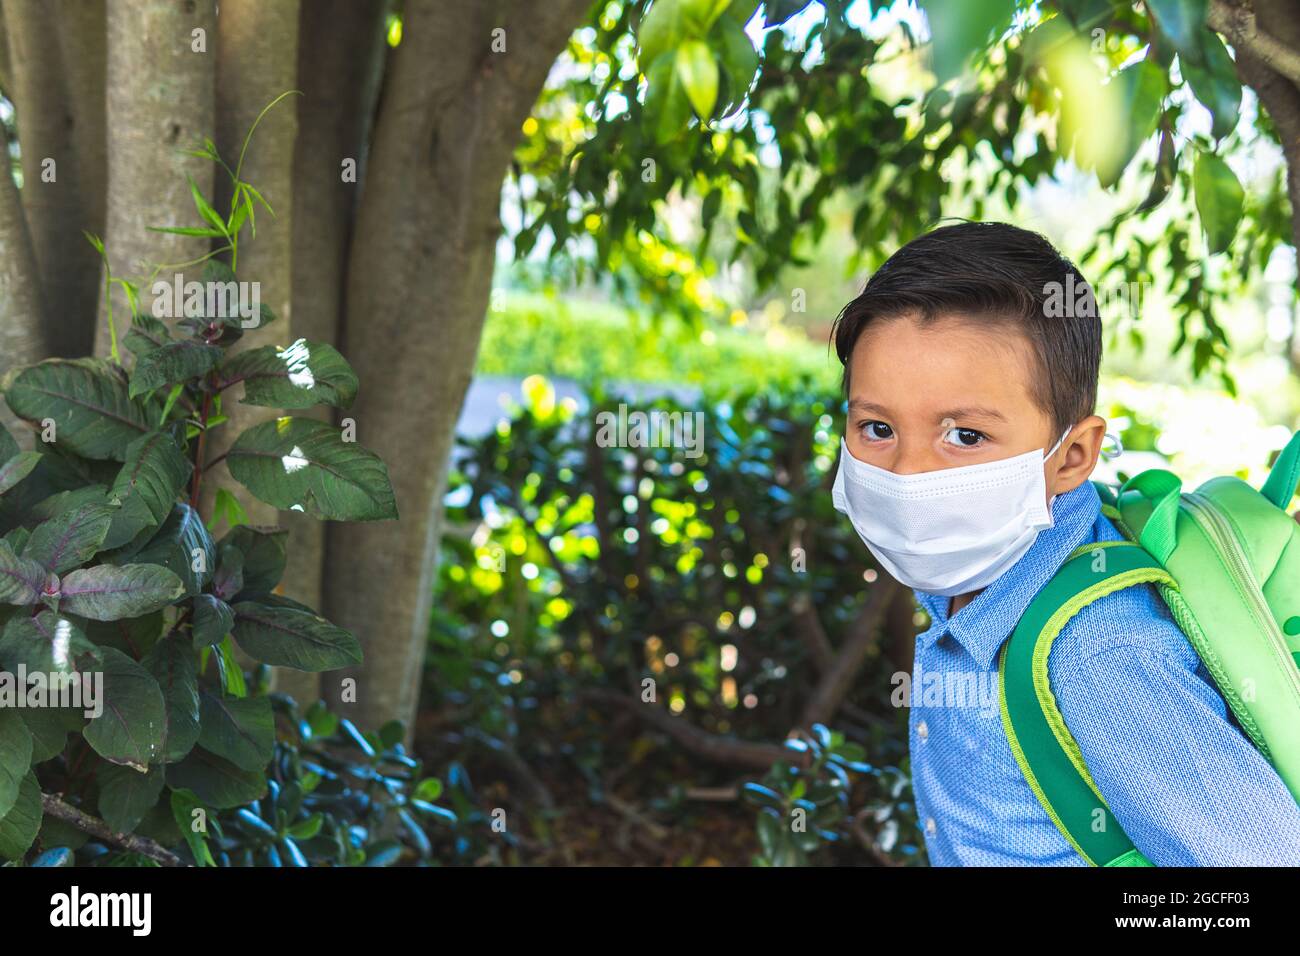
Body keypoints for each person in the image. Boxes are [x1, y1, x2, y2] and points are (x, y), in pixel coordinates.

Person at [828, 221, 1300, 865]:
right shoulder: (975, 580)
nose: (908, 473)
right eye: (876, 427)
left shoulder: (1095, 653)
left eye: (964, 436)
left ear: (1072, 455)